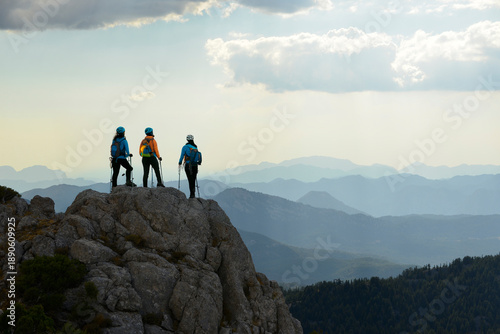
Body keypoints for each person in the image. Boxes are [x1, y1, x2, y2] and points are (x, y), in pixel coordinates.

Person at [178, 134, 200, 198]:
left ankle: (191, 194)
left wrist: (179, 162)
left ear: (187, 140)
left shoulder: (185, 147)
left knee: (190, 179)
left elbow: (182, 155)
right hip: (195, 165)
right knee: (193, 179)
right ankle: (193, 194)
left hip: (188, 165)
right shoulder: (195, 147)